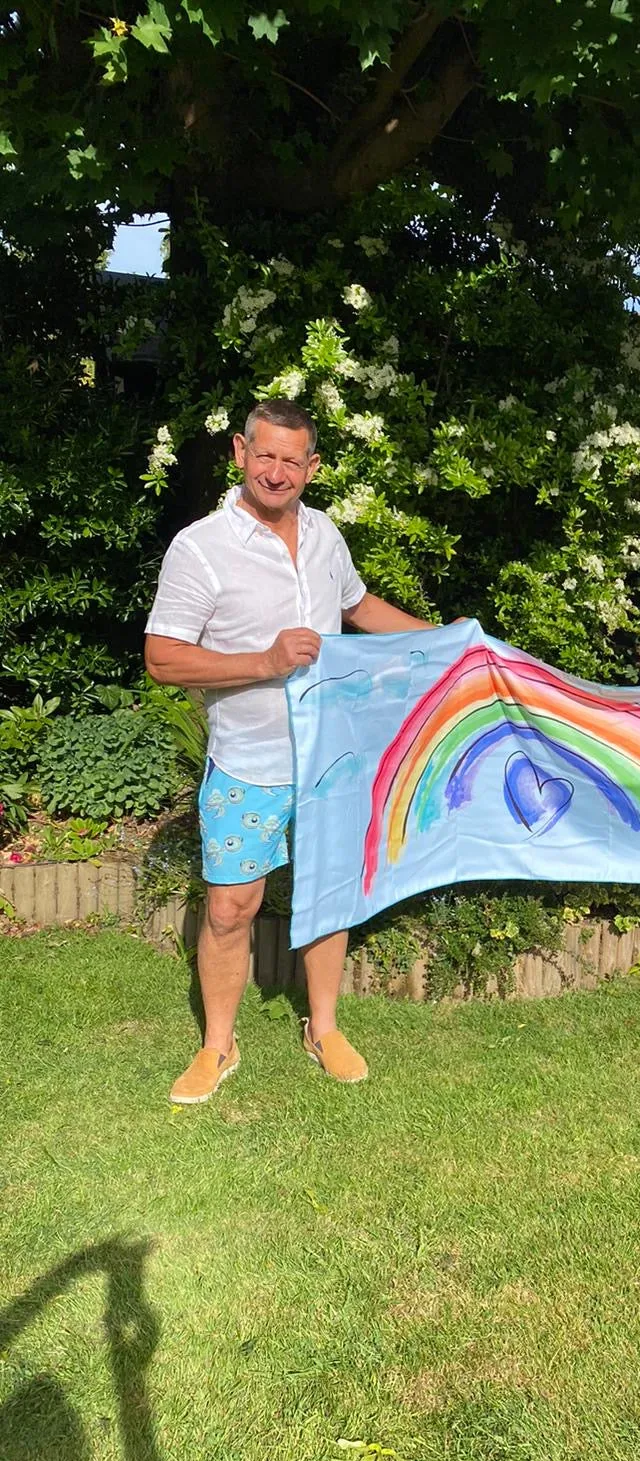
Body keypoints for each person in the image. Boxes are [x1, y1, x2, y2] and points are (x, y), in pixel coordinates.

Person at [145, 399, 435, 1103]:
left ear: (313, 467)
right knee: (228, 910)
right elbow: (162, 659)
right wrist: (264, 661)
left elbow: (360, 609)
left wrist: (444, 639)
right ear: (240, 454)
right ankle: (217, 1046)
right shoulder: (201, 547)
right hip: (249, 764)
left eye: (291, 460)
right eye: (264, 455)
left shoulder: (327, 535)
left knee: (329, 896)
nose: (277, 472)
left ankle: (323, 1027)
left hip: (331, 760)